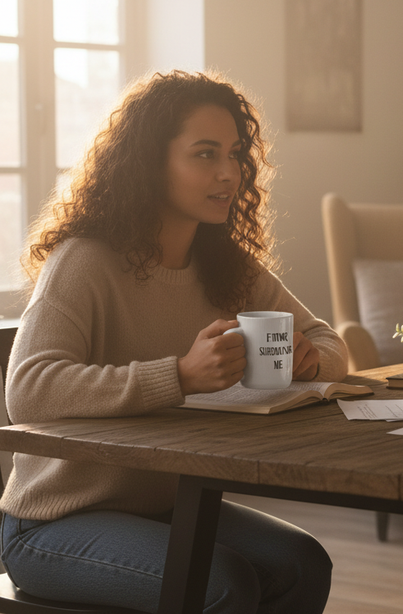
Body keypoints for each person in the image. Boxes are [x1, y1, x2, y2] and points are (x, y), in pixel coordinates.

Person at [0, 70, 348, 613]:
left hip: (168, 507)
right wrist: (179, 376)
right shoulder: (84, 260)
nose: (229, 173)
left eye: (235, 154)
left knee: (301, 562)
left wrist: (309, 360)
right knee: (221, 582)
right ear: (148, 162)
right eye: (205, 154)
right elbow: (29, 389)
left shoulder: (225, 265)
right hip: (52, 524)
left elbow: (328, 341)